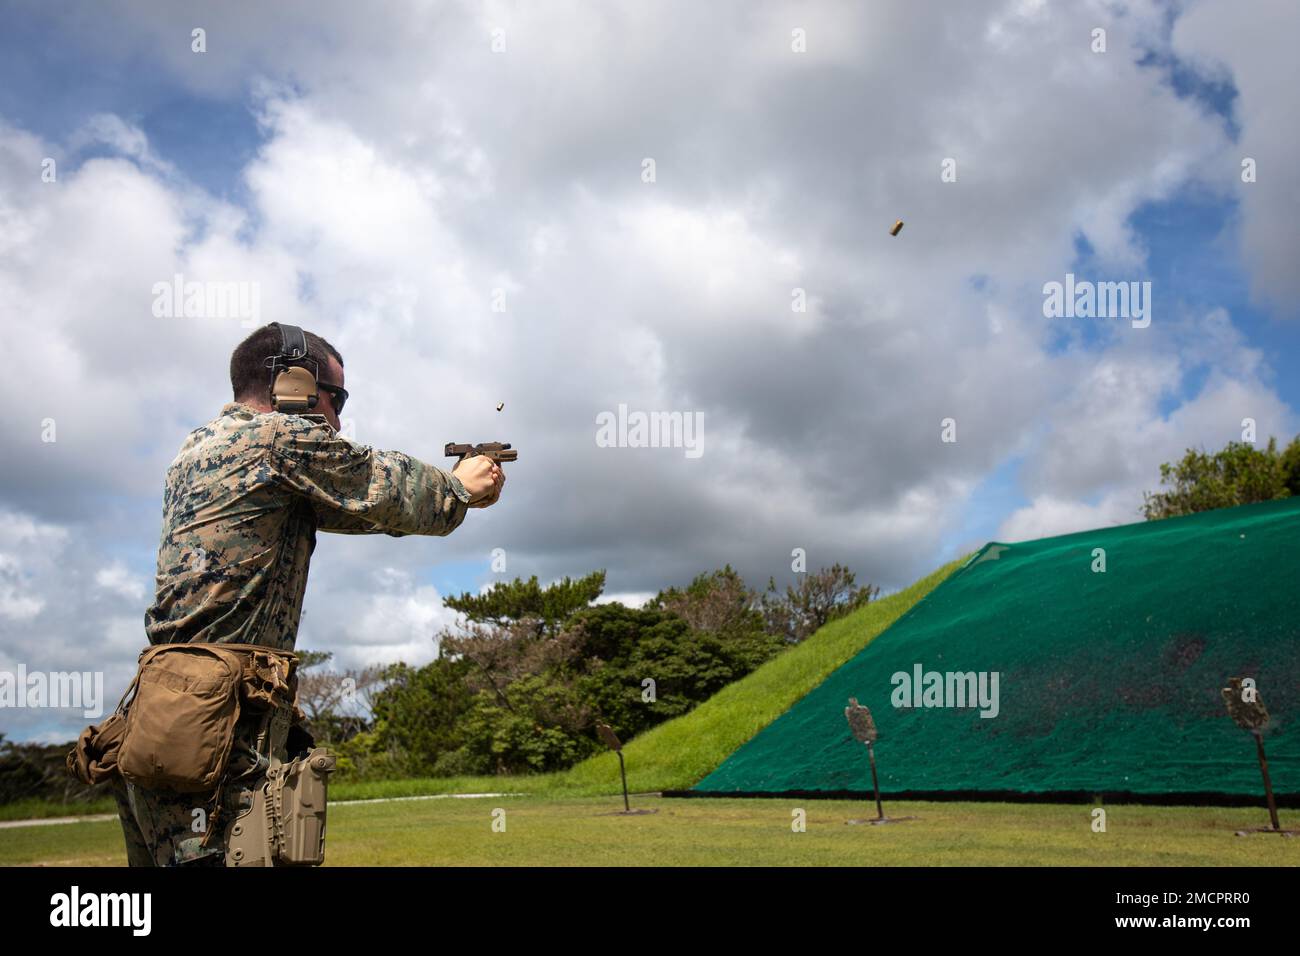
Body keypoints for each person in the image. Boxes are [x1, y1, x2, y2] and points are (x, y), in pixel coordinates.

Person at [111, 323, 504, 865]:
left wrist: (441, 502)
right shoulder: (278, 438)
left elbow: (352, 507)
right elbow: (383, 486)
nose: (338, 418)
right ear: (291, 383)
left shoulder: (198, 448)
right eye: (333, 397)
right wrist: (458, 487)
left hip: (167, 717)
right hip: (221, 729)